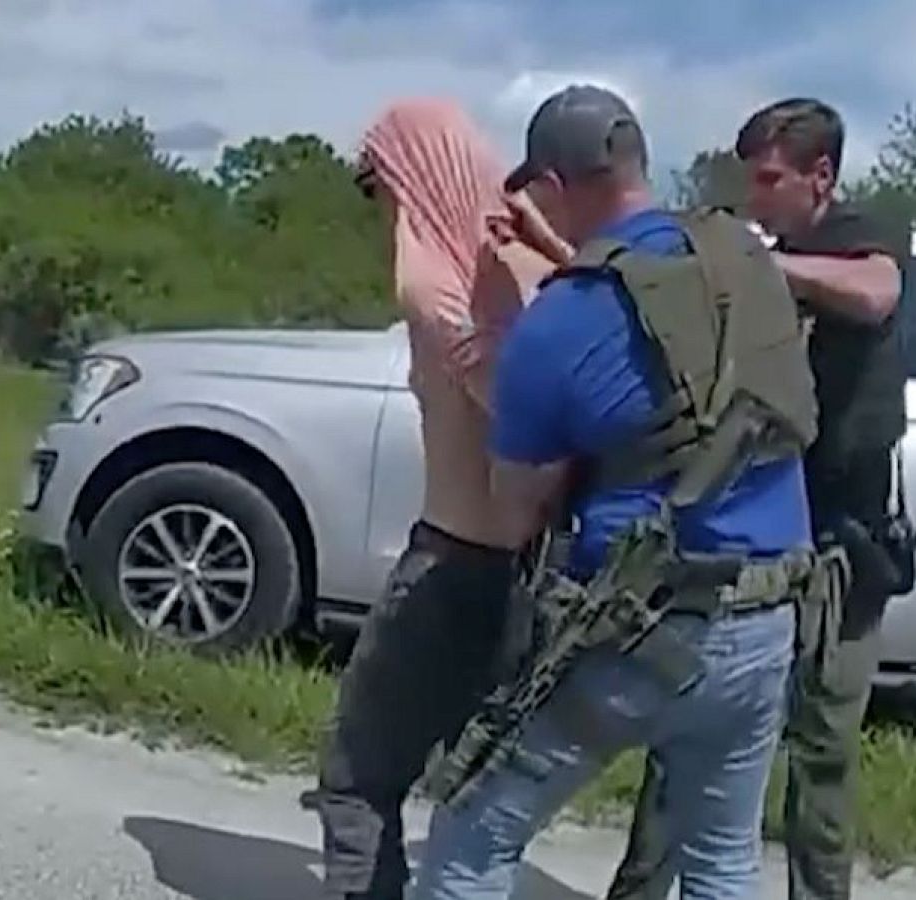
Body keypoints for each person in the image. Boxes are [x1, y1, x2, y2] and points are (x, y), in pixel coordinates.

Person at [411, 83, 826, 900]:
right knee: (722, 857)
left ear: (553, 186)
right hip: (768, 618)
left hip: (635, 630)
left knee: (472, 835)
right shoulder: (744, 264)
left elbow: (516, 511)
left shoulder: (560, 321)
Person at [608, 97, 910, 900]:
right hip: (752, 534)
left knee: (823, 750)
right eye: (751, 179)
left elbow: (876, 293)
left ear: (821, 176)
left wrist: (764, 266)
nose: (757, 195)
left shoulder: (864, 233)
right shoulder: (750, 255)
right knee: (690, 735)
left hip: (841, 544)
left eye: (771, 179)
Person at [300, 97, 568, 900]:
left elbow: (511, 410)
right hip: (526, 573)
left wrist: (474, 360)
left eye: (377, 182)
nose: (380, 204)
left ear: (411, 174)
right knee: (477, 783)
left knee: (358, 777)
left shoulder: (437, 286)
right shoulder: (545, 275)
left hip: (449, 564)